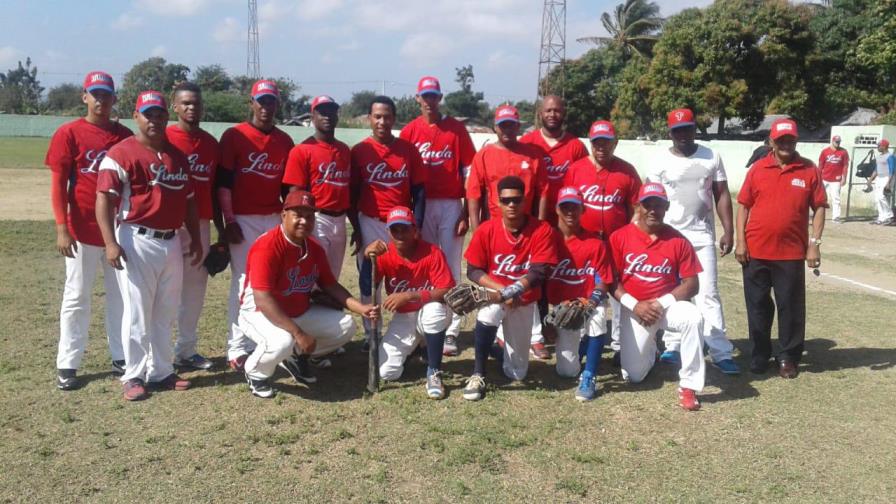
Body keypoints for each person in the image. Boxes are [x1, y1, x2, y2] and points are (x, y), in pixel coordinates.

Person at [95, 90, 203, 401]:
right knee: (138, 311)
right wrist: (110, 243)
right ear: (136, 116)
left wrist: (195, 238)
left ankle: (161, 371)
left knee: (166, 309)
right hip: (136, 238)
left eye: (159, 114)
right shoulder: (121, 153)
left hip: (170, 240)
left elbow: (191, 202)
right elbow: (104, 201)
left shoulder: (176, 156)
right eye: (148, 114)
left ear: (166, 116)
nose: (154, 119)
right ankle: (133, 375)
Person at [237, 190, 378, 398]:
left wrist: (361, 308)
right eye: (298, 215)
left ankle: (295, 356)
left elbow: (331, 286)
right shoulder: (267, 246)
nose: (304, 221)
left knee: (346, 327)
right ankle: (256, 373)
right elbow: (263, 299)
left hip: (296, 310)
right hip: (258, 312)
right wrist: (298, 334)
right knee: (282, 341)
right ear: (284, 215)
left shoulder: (313, 247)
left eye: (310, 216)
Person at [47, 71, 133, 390]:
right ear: (84, 96)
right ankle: (68, 362)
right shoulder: (69, 133)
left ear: (114, 98)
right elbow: (58, 185)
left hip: (117, 231)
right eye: (95, 94)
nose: (100, 100)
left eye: (106, 94)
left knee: (121, 297)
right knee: (76, 296)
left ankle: (121, 355)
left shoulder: (125, 136)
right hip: (81, 229)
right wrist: (61, 227)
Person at [645, 108, 739, 375]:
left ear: (695, 128)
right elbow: (649, 200)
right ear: (670, 133)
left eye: (687, 129)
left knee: (708, 293)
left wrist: (728, 230)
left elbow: (721, 194)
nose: (683, 135)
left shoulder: (711, 155)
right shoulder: (659, 159)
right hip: (669, 239)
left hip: (701, 236)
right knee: (672, 293)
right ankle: (672, 346)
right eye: (677, 131)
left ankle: (720, 351)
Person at [736, 118, 827, 379]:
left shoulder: (808, 169)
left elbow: (819, 207)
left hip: (791, 253)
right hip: (755, 252)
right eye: (781, 140)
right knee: (757, 306)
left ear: (796, 141)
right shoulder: (757, 169)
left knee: (791, 307)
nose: (786, 144)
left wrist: (814, 245)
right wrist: (741, 242)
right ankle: (760, 353)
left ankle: (788, 356)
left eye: (791, 139)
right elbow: (743, 206)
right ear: (772, 142)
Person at [217, 80, 295, 371]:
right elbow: (223, 185)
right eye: (261, 102)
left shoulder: (284, 140)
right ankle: (237, 347)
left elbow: (288, 189)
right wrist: (230, 220)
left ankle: (268, 339)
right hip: (243, 219)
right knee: (244, 282)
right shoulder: (235, 136)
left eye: (271, 102)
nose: (266, 108)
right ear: (251, 103)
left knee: (273, 281)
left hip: (273, 218)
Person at [610, 183, 706, 411]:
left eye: (659, 205)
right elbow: (611, 282)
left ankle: (689, 385)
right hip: (635, 309)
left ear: (667, 208)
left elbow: (692, 285)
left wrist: (659, 304)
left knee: (693, 317)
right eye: (647, 205)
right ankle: (650, 349)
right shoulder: (619, 237)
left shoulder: (678, 240)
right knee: (634, 376)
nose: (653, 210)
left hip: (667, 307)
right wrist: (635, 305)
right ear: (638, 206)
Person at [399, 76, 477, 357]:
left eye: (434, 96)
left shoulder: (455, 129)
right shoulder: (409, 131)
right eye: (425, 96)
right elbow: (402, 174)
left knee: (451, 267)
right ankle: (426, 327)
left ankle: (452, 330)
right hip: (422, 206)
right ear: (417, 98)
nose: (429, 101)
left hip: (449, 204)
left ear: (440, 97)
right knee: (426, 266)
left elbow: (470, 172)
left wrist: (467, 212)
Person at [461, 176, 557, 401]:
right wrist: (503, 293)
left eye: (516, 200)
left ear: (524, 201)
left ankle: (495, 350)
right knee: (488, 312)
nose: (511, 205)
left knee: (517, 372)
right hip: (497, 295)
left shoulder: (541, 229)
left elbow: (538, 273)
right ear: (498, 202)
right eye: (506, 200)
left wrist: (510, 292)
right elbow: (473, 270)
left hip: (524, 300)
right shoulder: (487, 230)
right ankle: (478, 373)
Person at [466, 104, 551, 359]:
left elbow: (544, 192)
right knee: (499, 279)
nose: (507, 130)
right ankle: (500, 336)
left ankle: (535, 337)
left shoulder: (533, 154)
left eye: (512, 125)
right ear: (495, 127)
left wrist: (542, 226)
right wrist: (475, 228)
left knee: (529, 279)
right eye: (502, 125)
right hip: (495, 229)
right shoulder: (484, 155)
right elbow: (473, 193)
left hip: (527, 229)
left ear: (518, 126)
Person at [350, 95, 427, 349]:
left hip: (401, 223)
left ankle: (411, 332)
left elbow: (418, 191)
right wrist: (357, 229)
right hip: (370, 220)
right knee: (369, 279)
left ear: (394, 118)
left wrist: (419, 225)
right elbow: (352, 193)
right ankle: (371, 333)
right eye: (377, 116)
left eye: (387, 116)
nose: (382, 121)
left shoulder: (407, 149)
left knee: (406, 276)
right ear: (370, 119)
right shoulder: (360, 151)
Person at [562, 120, 642, 360]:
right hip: (586, 245)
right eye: (597, 143)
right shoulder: (576, 169)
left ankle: (619, 343)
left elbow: (637, 206)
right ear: (591, 143)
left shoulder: (627, 171)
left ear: (615, 143)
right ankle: (586, 338)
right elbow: (567, 206)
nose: (601, 148)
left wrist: (629, 235)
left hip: (616, 245)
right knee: (587, 290)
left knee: (618, 293)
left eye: (606, 143)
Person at [363, 206, 455, 399]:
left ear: (415, 230)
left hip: (432, 309)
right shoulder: (383, 254)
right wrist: (366, 259)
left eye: (405, 228)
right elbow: (366, 286)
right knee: (387, 372)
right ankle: (417, 346)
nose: (400, 234)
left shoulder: (432, 252)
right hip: (405, 315)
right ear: (388, 231)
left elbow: (447, 290)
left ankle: (434, 371)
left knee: (433, 312)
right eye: (395, 229)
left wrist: (410, 296)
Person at [165, 81, 221, 371]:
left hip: (200, 223)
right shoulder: (164, 138)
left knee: (195, 291)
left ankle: (186, 350)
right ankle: (159, 354)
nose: (191, 108)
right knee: (165, 290)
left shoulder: (211, 144)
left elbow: (215, 190)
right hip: (171, 224)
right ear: (174, 106)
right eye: (185, 103)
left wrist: (220, 233)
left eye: (196, 103)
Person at [546, 187, 612, 401]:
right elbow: (537, 282)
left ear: (583, 209)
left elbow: (603, 281)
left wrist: (591, 301)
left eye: (575, 207)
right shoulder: (548, 241)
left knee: (599, 316)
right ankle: (583, 346)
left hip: (588, 302)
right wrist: (544, 322)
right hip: (561, 309)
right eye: (565, 207)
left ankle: (590, 375)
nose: (570, 212)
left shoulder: (595, 242)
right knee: (566, 371)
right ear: (557, 209)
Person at [282, 95, 352, 281]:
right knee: (313, 275)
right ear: (312, 116)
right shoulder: (302, 150)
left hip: (341, 220)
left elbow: (349, 190)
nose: (327, 117)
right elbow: (294, 193)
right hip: (317, 218)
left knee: (331, 277)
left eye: (331, 112)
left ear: (337, 116)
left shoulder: (344, 150)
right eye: (322, 113)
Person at [519, 95, 588, 226]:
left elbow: (586, 181)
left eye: (557, 111)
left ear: (564, 114)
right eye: (548, 110)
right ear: (540, 114)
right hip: (532, 214)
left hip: (566, 216)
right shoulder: (527, 142)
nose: (552, 114)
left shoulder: (576, 146)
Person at [818, 135, 849, 223]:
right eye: (836, 141)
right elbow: (820, 165)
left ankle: (836, 217)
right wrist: (818, 176)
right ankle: (818, 214)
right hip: (824, 178)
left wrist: (844, 177)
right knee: (820, 197)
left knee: (836, 198)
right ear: (832, 141)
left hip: (836, 179)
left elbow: (845, 166)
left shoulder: (843, 152)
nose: (838, 143)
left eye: (839, 142)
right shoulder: (825, 151)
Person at [868, 139, 894, 225]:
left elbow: (892, 170)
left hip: (887, 177)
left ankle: (889, 215)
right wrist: (870, 179)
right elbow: (876, 169)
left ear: (884, 146)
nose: (878, 147)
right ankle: (881, 217)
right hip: (879, 178)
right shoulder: (879, 157)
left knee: (882, 197)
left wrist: (889, 183)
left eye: (879, 145)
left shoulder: (890, 156)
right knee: (877, 198)